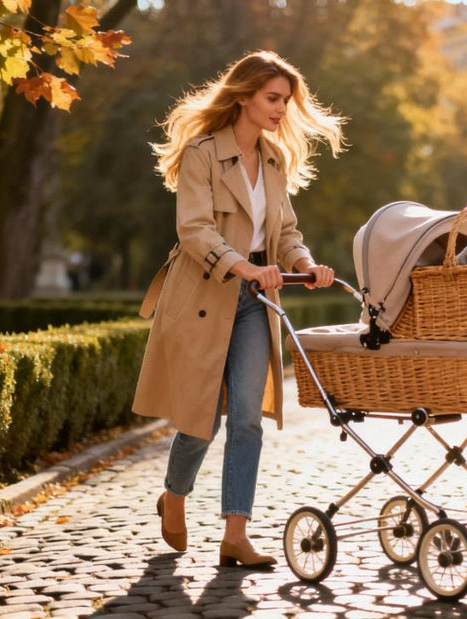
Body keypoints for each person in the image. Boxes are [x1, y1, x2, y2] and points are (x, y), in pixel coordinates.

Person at [132, 50, 344, 569]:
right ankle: (174, 497)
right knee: (202, 415)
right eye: (273, 98)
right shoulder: (202, 153)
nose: (280, 109)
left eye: (285, 101)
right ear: (244, 95)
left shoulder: (274, 159)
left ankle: (235, 534)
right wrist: (244, 267)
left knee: (247, 417)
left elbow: (286, 232)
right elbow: (195, 230)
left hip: (255, 301)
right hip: (205, 293)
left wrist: (307, 263)